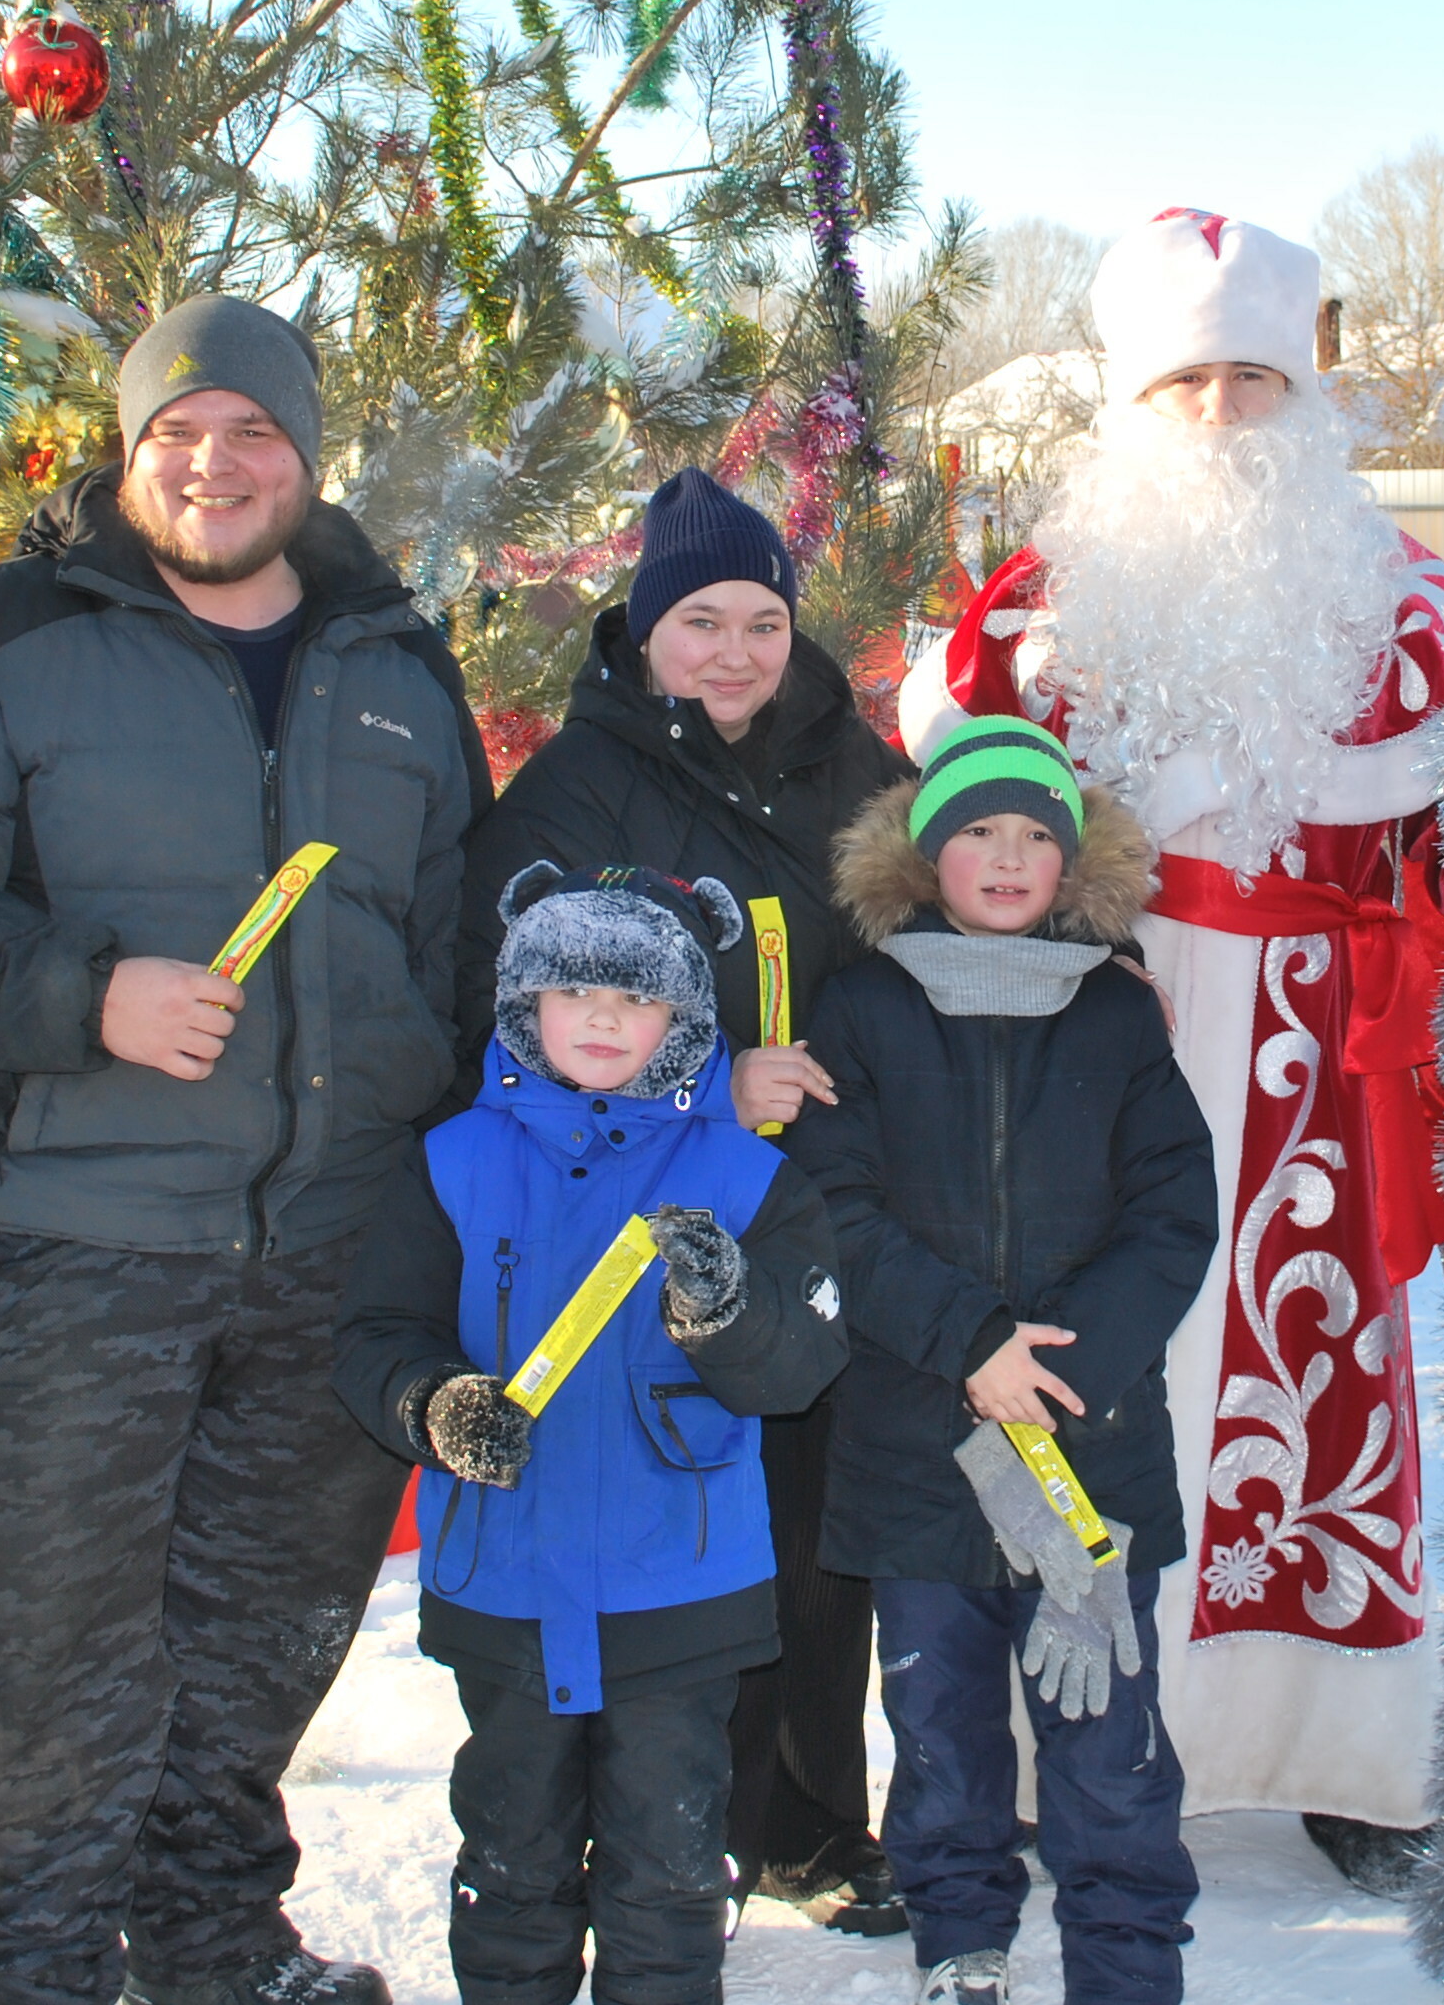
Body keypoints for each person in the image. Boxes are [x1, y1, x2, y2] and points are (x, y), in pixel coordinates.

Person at [0, 297, 491, 2005]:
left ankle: (213, 1946)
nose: (214, 463)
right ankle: (51, 1970)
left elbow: (457, 953)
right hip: (78, 1243)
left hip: (328, 1252)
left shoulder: (397, 663)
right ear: (127, 451)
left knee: (262, 1644)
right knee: (56, 1663)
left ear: (305, 454)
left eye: (253, 430)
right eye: (176, 432)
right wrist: (85, 996)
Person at [898, 208, 1444, 1885]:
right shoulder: (1034, 619)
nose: (1220, 412)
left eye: (1252, 378)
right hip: (1101, 1042)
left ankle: (1343, 1757)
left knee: (1323, 1385)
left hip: (1319, 1052)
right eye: (1183, 383)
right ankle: (1056, 1741)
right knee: (1090, 1370)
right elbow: (951, 839)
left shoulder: (1409, 607)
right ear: (1128, 402)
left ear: (1304, 393)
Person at [455, 466, 914, 1932]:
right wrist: (713, 1088)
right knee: (687, 1503)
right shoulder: (581, 785)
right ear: (644, 630)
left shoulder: (854, 764)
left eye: (762, 622)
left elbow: (957, 905)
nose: (734, 652)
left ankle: (806, 1825)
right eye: (699, 621)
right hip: (643, 1208)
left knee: (819, 1518)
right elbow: (510, 1004)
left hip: (826, 1195)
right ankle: (659, 1821)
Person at [332, 864, 850, 2005]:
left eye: (637, 996)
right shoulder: (451, 1161)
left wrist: (728, 1311)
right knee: (510, 1861)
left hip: (680, 1594)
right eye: (572, 991)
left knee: (667, 1873)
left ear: (686, 1018)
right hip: (503, 1586)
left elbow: (804, 1365)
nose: (603, 1018)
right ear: (526, 1004)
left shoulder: (749, 1176)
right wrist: (432, 1404)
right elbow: (376, 1335)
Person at [789, 720, 1216, 2005]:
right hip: (917, 1453)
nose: (1009, 856)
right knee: (939, 1731)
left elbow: (1172, 1211)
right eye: (978, 830)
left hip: (1087, 1453)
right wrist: (971, 1345)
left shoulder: (1113, 1010)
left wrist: (1059, 1375)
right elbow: (832, 1207)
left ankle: (1125, 1965)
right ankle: (959, 1943)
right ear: (927, 851)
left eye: (1036, 834)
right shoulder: (861, 1007)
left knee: (1108, 1742)